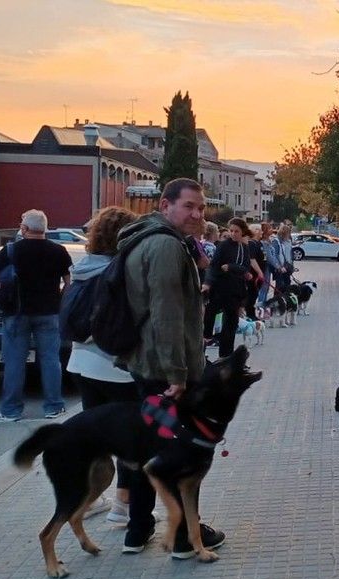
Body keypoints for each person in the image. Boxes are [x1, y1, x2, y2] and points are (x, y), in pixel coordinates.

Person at [117, 178, 225, 559]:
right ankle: (182, 539)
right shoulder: (165, 246)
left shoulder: (150, 239)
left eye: (201, 208)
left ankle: (138, 529)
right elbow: (165, 315)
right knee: (179, 455)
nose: (197, 214)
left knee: (153, 449)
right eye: (189, 207)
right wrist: (177, 374)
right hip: (164, 371)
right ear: (165, 205)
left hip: (150, 364)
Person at [65, 206, 140, 523]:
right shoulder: (117, 271)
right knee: (128, 438)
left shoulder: (83, 267)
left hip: (79, 362)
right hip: (113, 366)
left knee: (97, 437)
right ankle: (122, 506)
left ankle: (90, 497)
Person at [0, 209, 72, 421]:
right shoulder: (59, 250)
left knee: (14, 361)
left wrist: (4, 287)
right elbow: (69, 282)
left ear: (24, 229)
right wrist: (58, 298)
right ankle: (53, 406)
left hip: (16, 312)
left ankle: (10, 410)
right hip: (49, 312)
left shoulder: (11, 251)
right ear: (45, 228)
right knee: (51, 359)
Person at [202, 219, 252, 357]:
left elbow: (245, 269)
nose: (233, 234)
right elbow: (214, 266)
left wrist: (231, 267)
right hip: (219, 289)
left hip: (235, 291)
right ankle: (201, 355)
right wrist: (207, 283)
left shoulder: (244, 248)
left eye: (237, 231)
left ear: (242, 232)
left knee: (230, 325)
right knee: (209, 320)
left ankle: (226, 357)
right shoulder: (223, 246)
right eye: (231, 231)